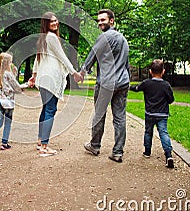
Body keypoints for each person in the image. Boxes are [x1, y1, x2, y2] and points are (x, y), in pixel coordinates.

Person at [29, 12, 82, 156]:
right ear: (45, 24)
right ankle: (44, 147)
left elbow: (36, 59)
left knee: (45, 108)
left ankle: (40, 140)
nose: (54, 23)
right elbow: (62, 56)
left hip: (43, 78)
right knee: (50, 110)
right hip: (51, 78)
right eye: (51, 21)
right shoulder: (51, 37)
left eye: (55, 20)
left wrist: (34, 76)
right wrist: (74, 73)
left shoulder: (43, 38)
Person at [80, 9, 130, 163]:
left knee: (99, 115)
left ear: (112, 21)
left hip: (106, 84)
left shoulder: (104, 37)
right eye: (99, 20)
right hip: (122, 82)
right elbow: (126, 63)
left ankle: (95, 145)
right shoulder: (123, 40)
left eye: (103, 20)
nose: (100, 22)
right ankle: (117, 152)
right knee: (120, 117)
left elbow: (93, 55)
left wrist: (83, 71)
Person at [129, 59, 175, 168]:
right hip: (162, 114)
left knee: (148, 132)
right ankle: (168, 154)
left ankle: (147, 151)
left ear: (150, 71)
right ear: (163, 71)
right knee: (163, 133)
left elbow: (136, 88)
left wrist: (127, 86)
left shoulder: (147, 83)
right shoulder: (166, 85)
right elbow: (171, 99)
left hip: (149, 113)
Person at [0, 52, 28, 152]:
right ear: (6, 63)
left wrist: (14, 72)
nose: (11, 63)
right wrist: (27, 84)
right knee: (8, 122)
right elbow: (16, 87)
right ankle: (4, 143)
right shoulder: (8, 74)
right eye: (10, 62)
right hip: (7, 103)